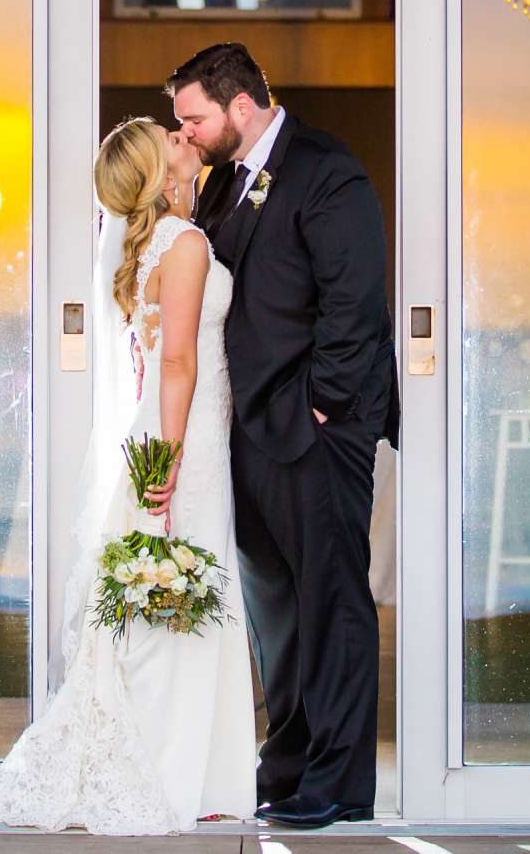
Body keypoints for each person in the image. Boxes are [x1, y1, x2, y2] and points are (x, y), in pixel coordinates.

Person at [0, 117, 255, 833]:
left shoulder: (157, 244)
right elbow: (176, 363)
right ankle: (170, 773)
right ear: (161, 172)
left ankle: (196, 770)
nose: (182, 134)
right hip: (177, 439)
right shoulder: (185, 245)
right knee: (183, 595)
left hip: (171, 432)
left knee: (174, 596)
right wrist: (166, 463)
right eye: (171, 136)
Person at [172, 42, 397, 829]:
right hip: (249, 430)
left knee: (333, 603)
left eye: (193, 118)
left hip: (314, 429)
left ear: (239, 106)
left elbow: (355, 295)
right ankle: (289, 766)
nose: (188, 134)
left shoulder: (326, 169)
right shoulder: (220, 186)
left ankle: (339, 786)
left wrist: (325, 404)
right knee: (279, 613)